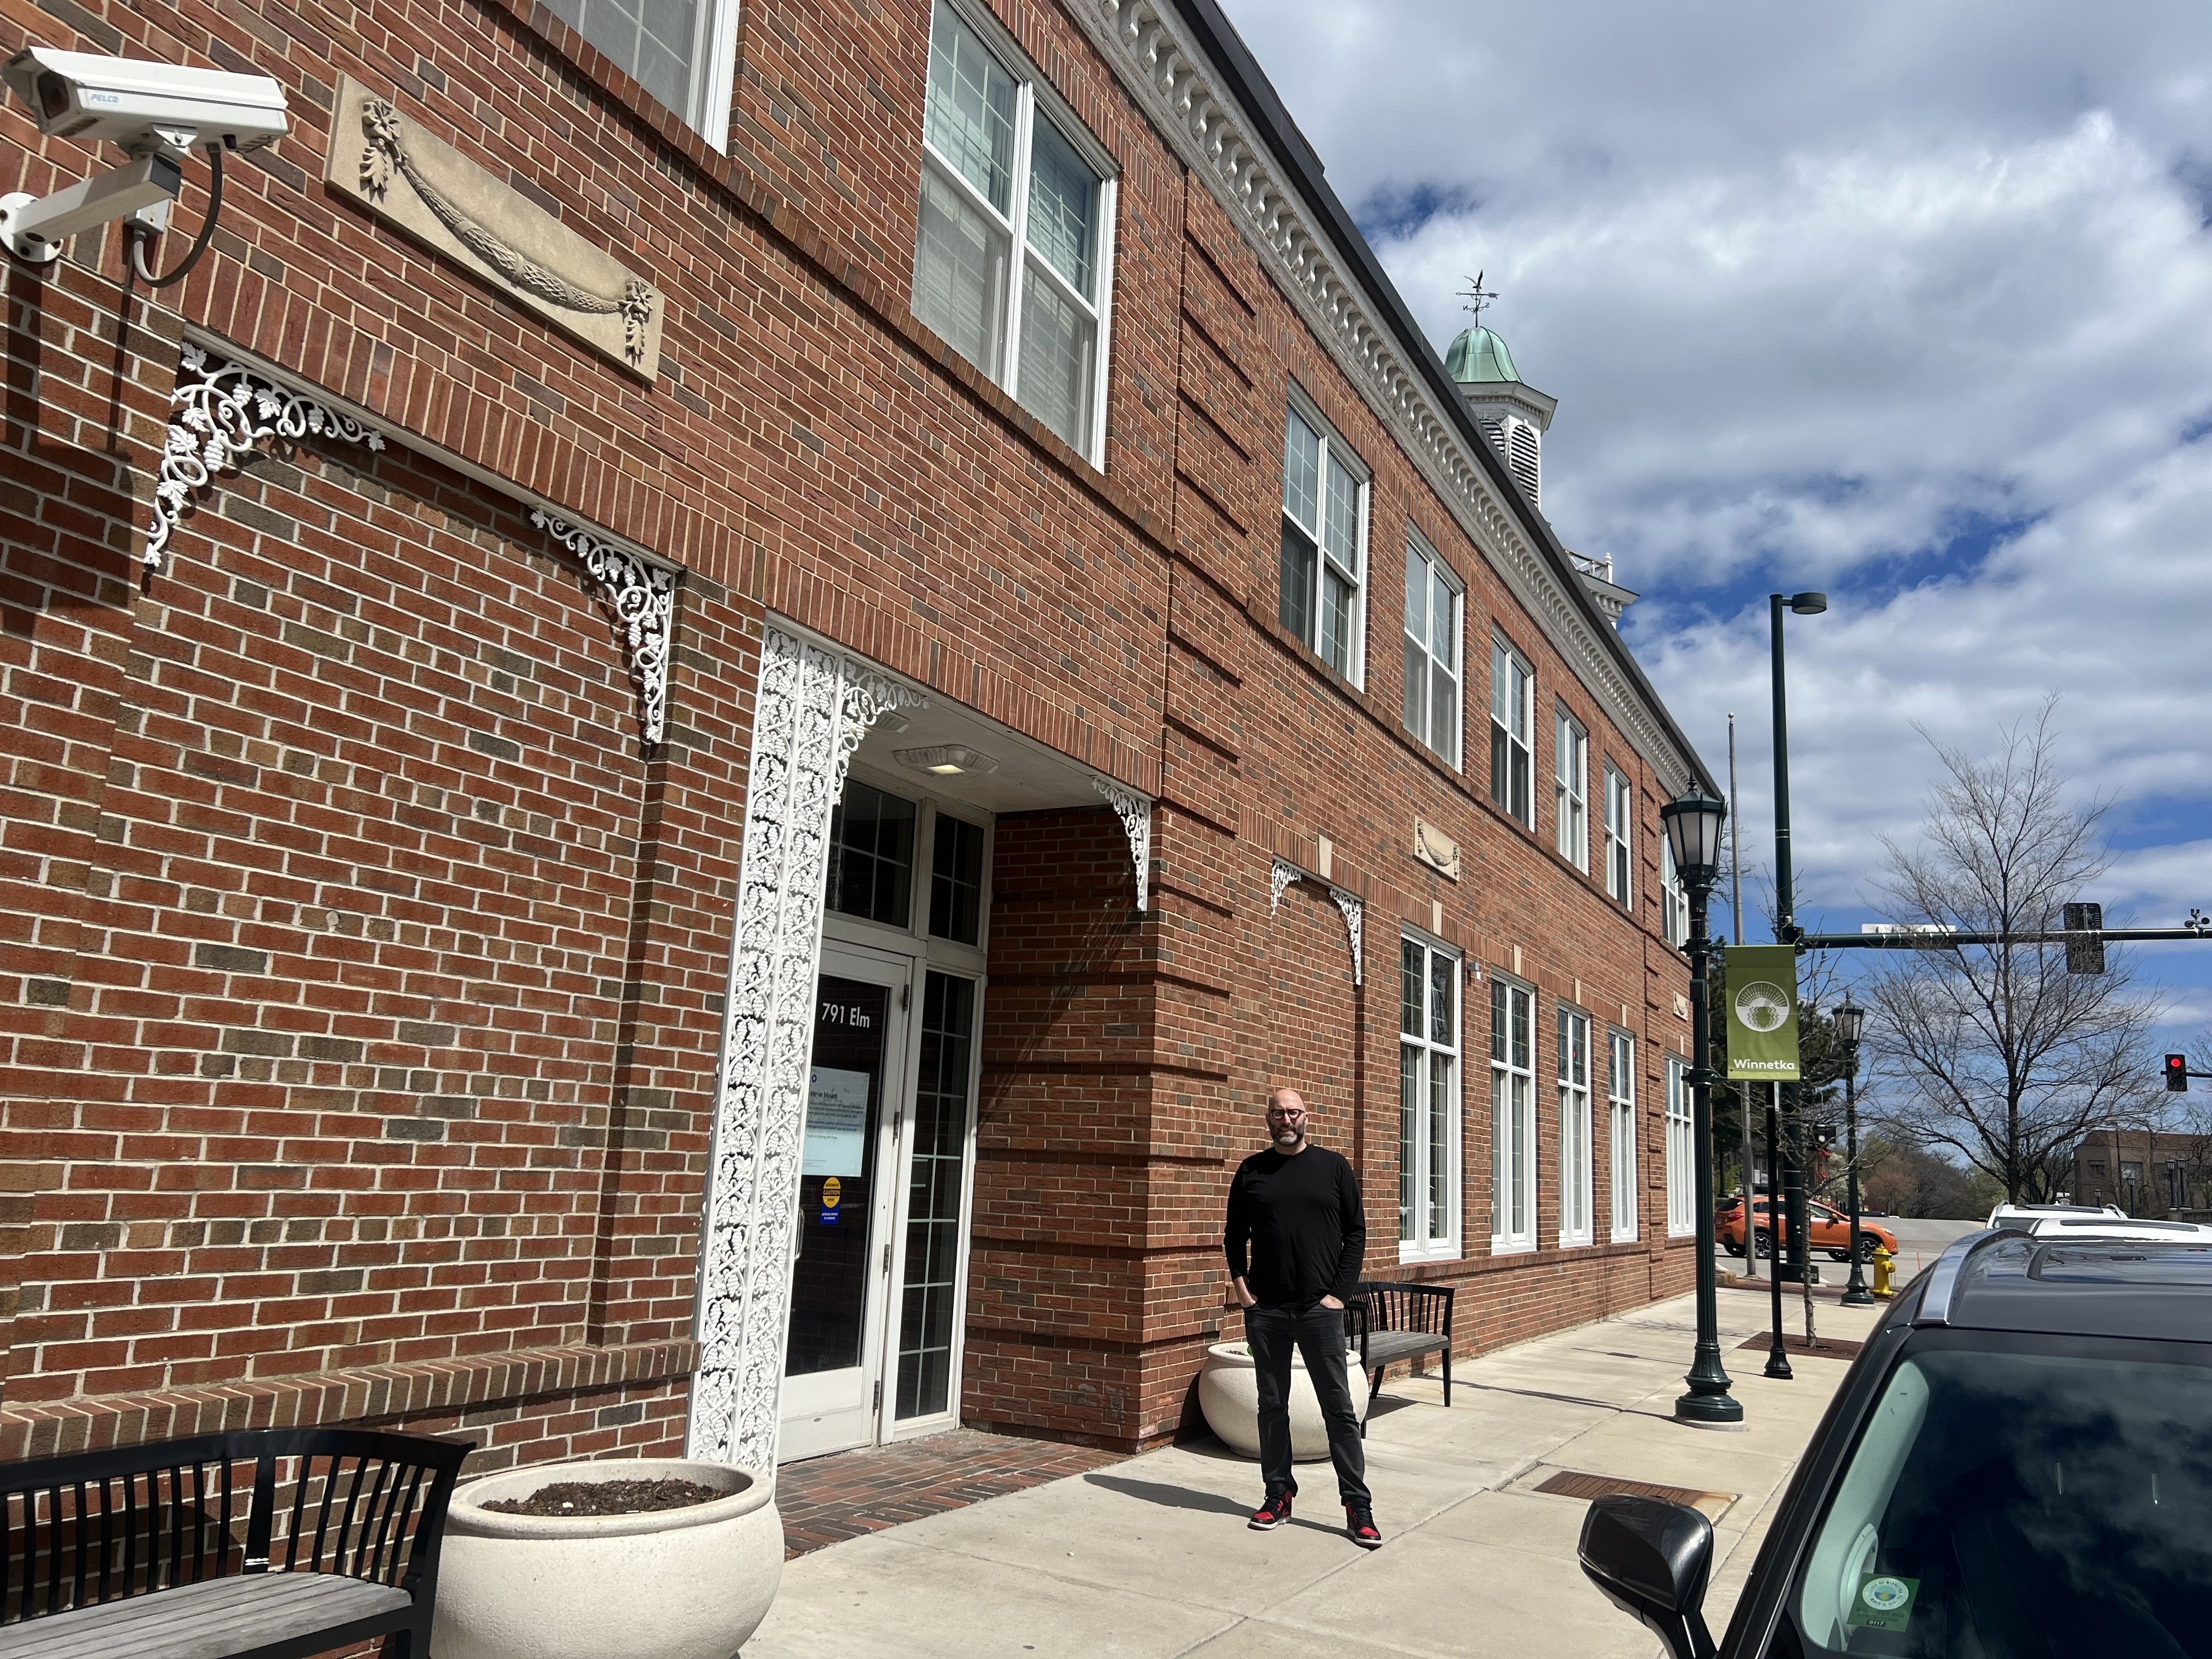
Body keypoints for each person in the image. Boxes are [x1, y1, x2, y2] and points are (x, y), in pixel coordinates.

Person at [1222, 1087, 1380, 1549]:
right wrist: (1241, 1287)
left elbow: (1356, 1233)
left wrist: (1338, 1295)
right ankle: (1278, 1495)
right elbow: (1235, 1234)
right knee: (1272, 1407)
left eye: (1293, 1112)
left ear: (1306, 1117)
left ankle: (1358, 1507)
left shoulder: (1333, 1168)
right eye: (1278, 1113)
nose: (1286, 1119)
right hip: (1267, 1311)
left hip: (1319, 1311)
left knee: (1339, 1411)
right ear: (1267, 1118)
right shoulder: (1251, 1171)